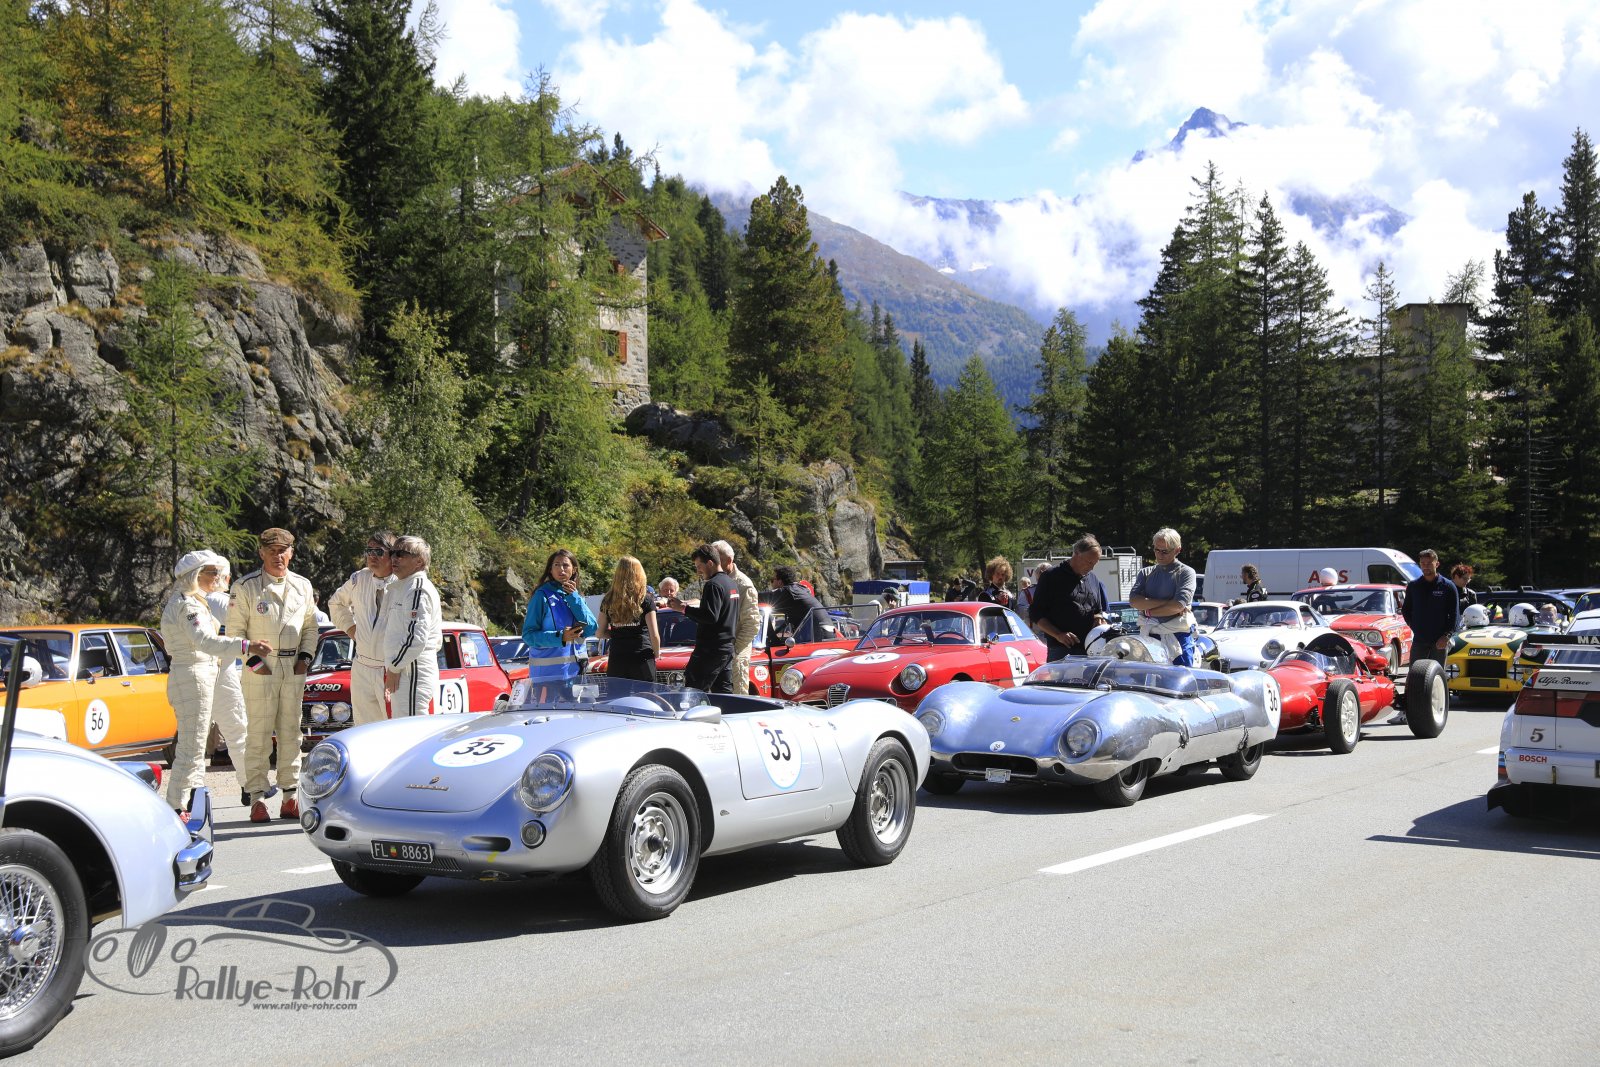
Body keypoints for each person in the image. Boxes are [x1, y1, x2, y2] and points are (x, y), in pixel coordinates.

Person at [160, 550, 270, 816]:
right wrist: (248, 648)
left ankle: (190, 802)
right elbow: (206, 641)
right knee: (194, 746)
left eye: (219, 573)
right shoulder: (190, 605)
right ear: (195, 575)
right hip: (196, 674)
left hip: (203, 671)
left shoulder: (193, 601)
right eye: (213, 573)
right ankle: (176, 806)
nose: (219, 578)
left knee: (198, 745)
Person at [227, 527, 319, 823]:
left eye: (283, 551)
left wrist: (305, 658)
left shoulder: (303, 586)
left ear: (291, 553)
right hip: (260, 666)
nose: (278, 556)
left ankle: (290, 797)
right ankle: (257, 797)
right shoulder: (245, 586)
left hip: (293, 666)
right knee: (258, 734)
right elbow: (235, 633)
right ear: (261, 552)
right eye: (272, 551)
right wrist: (256, 663)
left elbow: (311, 627)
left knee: (291, 733)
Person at [205, 557, 265, 807]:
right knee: (237, 732)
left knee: (194, 739)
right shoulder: (222, 601)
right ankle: (249, 785)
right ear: (226, 579)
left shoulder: (184, 601)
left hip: (197, 672)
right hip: (221, 671)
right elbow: (245, 639)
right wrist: (258, 667)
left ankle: (187, 798)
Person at [327, 530, 397, 726]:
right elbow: (336, 603)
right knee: (364, 728)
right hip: (362, 666)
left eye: (379, 551)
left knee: (394, 727)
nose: (372, 556)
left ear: (393, 555)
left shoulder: (403, 583)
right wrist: (351, 629)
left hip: (391, 669)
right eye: (369, 551)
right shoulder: (358, 579)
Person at [381, 535, 443, 716]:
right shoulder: (404, 586)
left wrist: (394, 668)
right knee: (403, 727)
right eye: (392, 553)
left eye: (401, 554)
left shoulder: (417, 588)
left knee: (411, 728)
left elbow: (416, 638)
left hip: (412, 671)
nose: (394, 558)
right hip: (405, 670)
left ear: (419, 561)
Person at [1397, 548, 1460, 722]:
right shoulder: (1414, 586)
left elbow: (1455, 615)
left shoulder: (1448, 586)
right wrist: (1415, 626)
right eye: (1422, 563)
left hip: (1440, 641)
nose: (1425, 566)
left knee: (1437, 676)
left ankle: (1436, 711)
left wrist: (1446, 636)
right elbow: (1406, 610)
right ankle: (1407, 712)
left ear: (1436, 564)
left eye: (1429, 563)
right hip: (1420, 640)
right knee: (1414, 676)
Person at [522, 549, 598, 684]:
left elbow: (591, 628)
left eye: (565, 565)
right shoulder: (541, 596)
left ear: (574, 570)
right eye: (556, 565)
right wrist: (561, 637)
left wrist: (573, 598)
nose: (561, 569)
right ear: (550, 570)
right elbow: (528, 636)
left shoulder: (576, 596)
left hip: (576, 676)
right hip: (547, 678)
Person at [670, 544, 738, 693]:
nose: (698, 571)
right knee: (724, 694)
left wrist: (683, 608)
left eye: (699, 566)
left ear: (710, 563)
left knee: (693, 692)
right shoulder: (731, 583)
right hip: (726, 649)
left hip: (710, 650)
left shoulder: (713, 585)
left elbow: (710, 616)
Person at [1029, 536, 1110, 660]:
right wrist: (1058, 634)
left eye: (1095, 563)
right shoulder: (1050, 576)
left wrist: (1098, 618)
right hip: (1061, 649)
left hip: (1091, 648)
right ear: (1076, 553)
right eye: (1089, 562)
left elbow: (1098, 610)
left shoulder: (1093, 579)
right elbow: (1036, 613)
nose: (1091, 567)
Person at [1130, 527, 1199, 666]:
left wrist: (1148, 611)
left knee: (1182, 677)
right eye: (1156, 550)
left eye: (1165, 551)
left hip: (1178, 637)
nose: (1159, 555)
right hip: (1149, 636)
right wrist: (1168, 603)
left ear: (1177, 550)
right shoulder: (1145, 573)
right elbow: (1134, 601)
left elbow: (1177, 606)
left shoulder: (1186, 572)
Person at [598, 556, 660, 683]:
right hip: (642, 656)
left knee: (618, 695)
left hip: (617, 658)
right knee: (645, 695)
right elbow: (654, 635)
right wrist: (657, 653)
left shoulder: (608, 600)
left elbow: (599, 633)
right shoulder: (646, 600)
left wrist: (617, 633)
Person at [713, 540, 762, 694]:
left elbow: (752, 624)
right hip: (717, 652)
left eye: (717, 560)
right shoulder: (713, 581)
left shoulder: (743, 585)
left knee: (736, 699)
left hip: (735, 655)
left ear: (728, 560)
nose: (712, 564)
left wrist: (734, 650)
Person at [769, 565, 834, 642]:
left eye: (772, 580)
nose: (771, 583)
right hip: (828, 634)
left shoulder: (789, 592)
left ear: (779, 582)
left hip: (817, 637)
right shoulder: (799, 589)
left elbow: (761, 597)